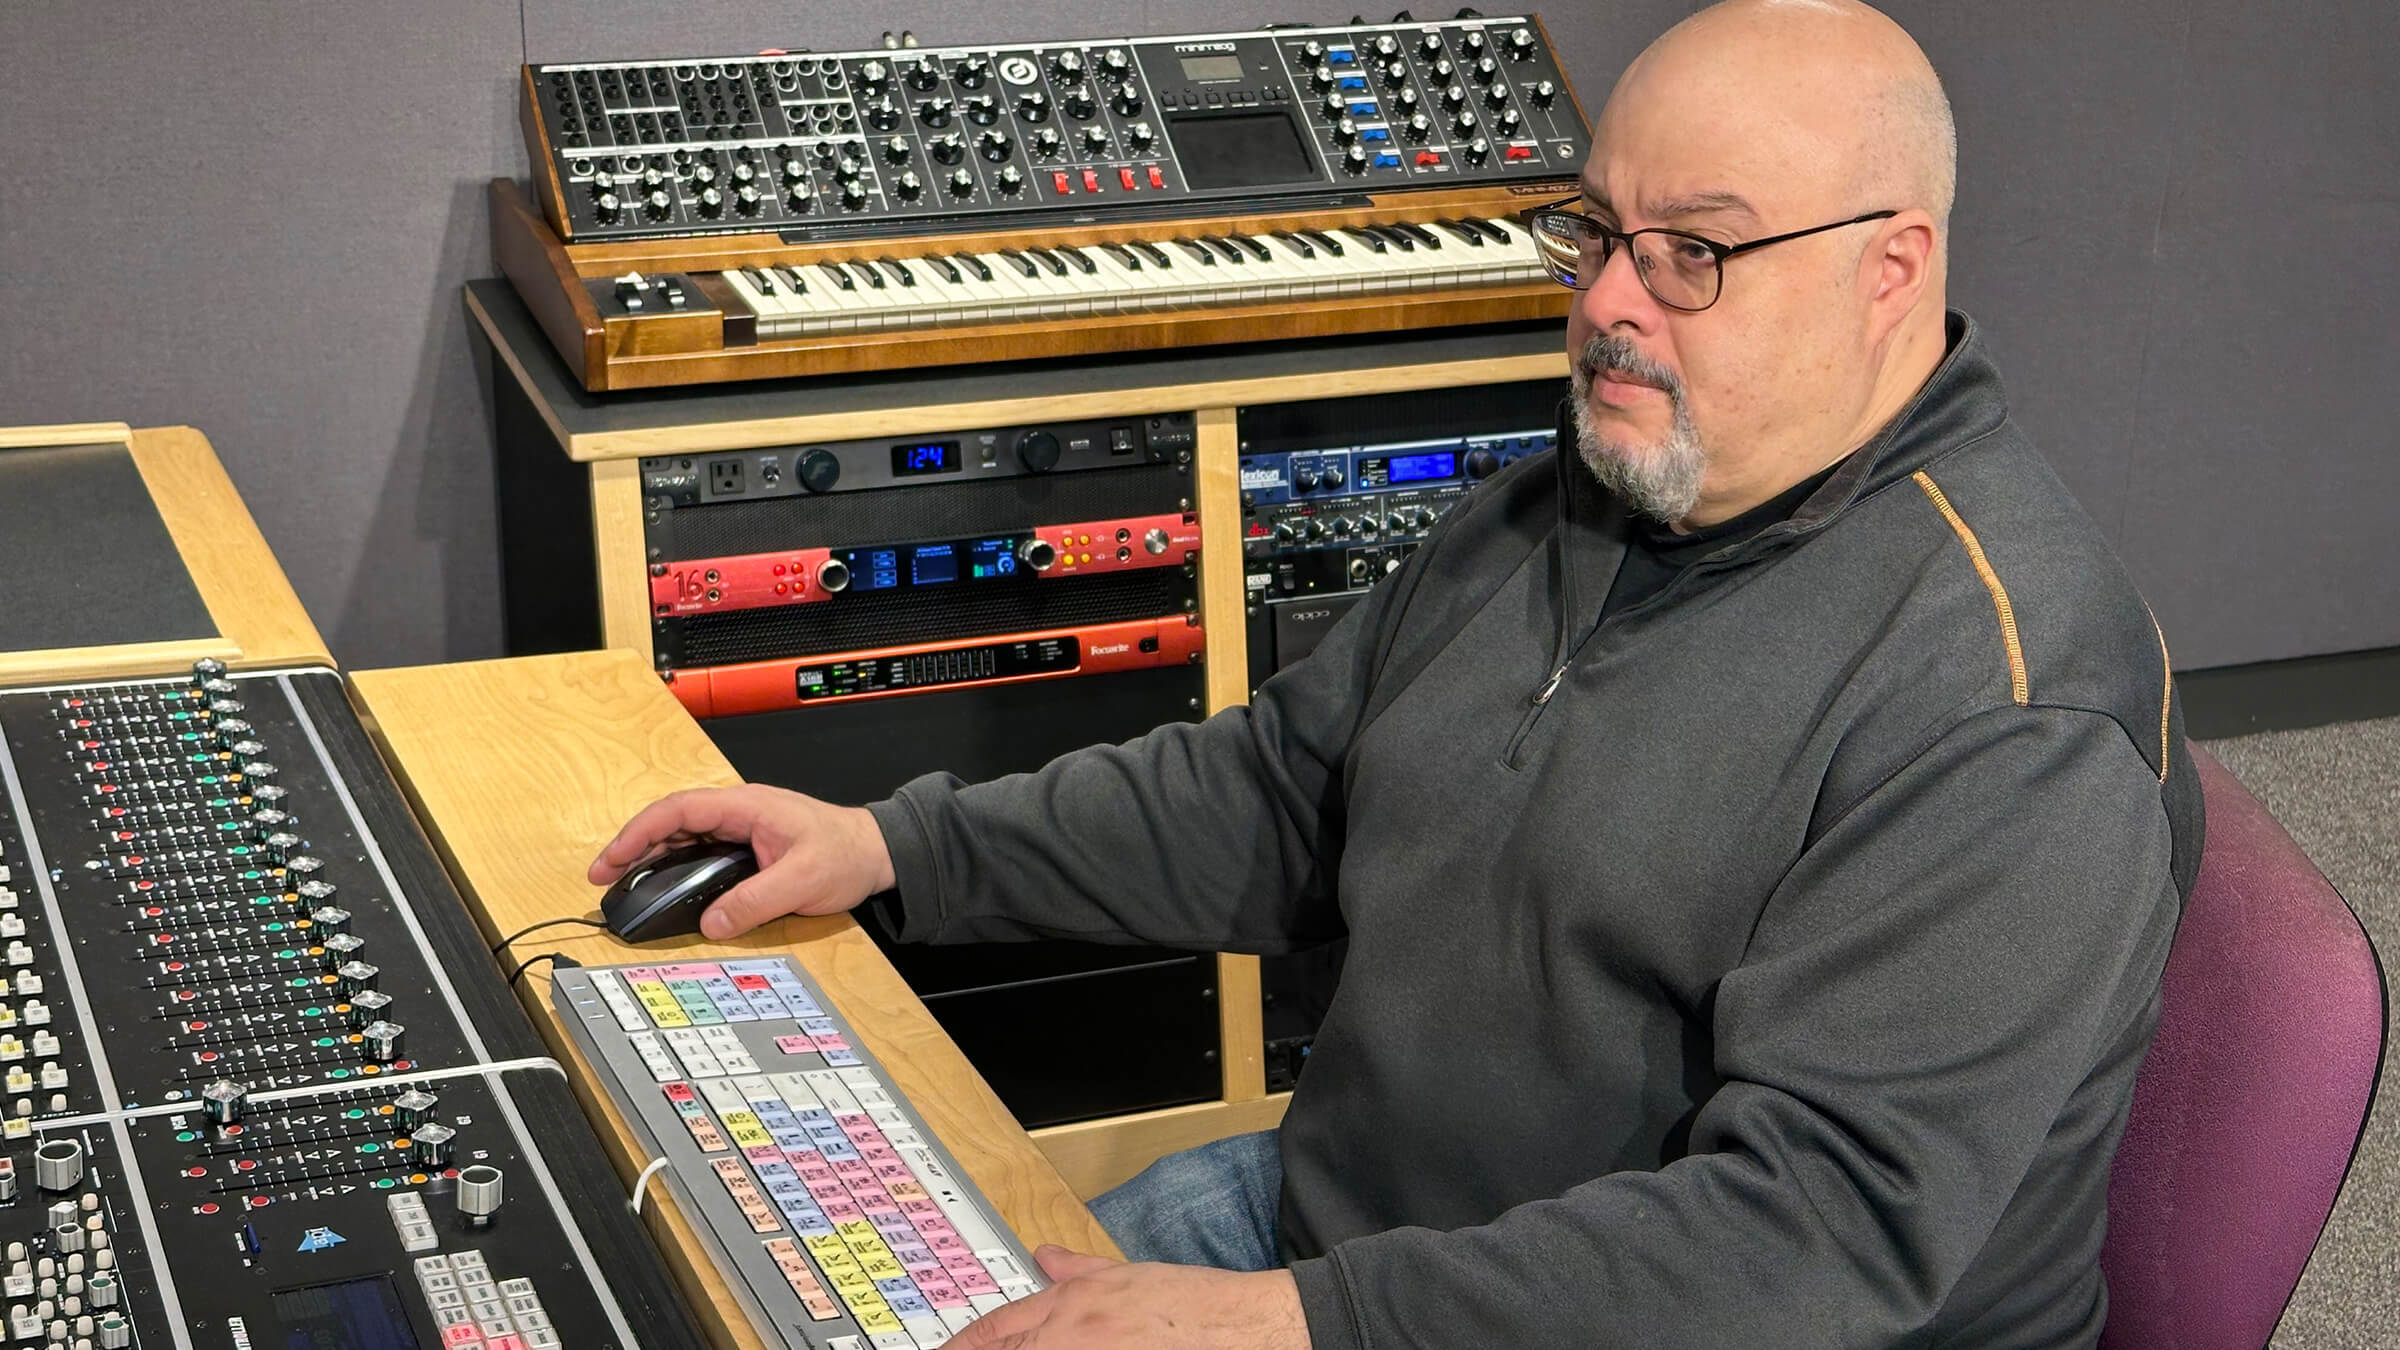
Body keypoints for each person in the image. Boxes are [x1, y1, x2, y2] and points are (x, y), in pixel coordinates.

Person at [590, 1, 2204, 1344]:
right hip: (1353, 1234)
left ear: (1892, 271)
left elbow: (1812, 1240)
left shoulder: (2011, 701)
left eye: (1695, 254)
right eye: (1595, 232)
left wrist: (1296, 1325)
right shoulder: (1575, 501)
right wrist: (892, 847)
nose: (1610, 303)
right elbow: (1281, 792)